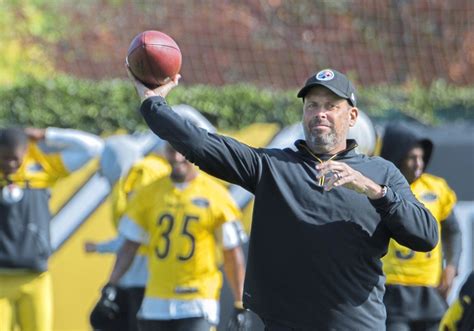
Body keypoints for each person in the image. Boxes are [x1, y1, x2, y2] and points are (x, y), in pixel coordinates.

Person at [127, 67, 439, 330]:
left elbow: (426, 236)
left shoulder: (380, 173)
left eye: (331, 105)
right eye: (312, 105)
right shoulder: (273, 167)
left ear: (352, 115)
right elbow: (200, 144)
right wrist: (153, 103)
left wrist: (375, 191)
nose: (320, 113)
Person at [92, 110, 250, 331]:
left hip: (197, 301)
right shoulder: (149, 194)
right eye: (171, 150)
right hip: (156, 300)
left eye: (182, 152)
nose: (176, 157)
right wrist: (112, 284)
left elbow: (232, 255)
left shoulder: (216, 195)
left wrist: (239, 303)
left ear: (192, 152)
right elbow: (130, 246)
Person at [0, 127, 103, 331]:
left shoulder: (42, 168)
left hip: (36, 277)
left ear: (26, 151)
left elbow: (93, 147)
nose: (9, 164)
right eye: (3, 158)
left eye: (14, 158)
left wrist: (47, 134)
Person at [380, 122, 462, 331]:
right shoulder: (380, 190)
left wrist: (451, 266)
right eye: (411, 157)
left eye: (421, 157)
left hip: (430, 290)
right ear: (397, 156)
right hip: (394, 289)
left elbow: (452, 230)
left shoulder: (436, 188)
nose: (419, 164)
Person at [85, 134, 170, 331]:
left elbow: (135, 236)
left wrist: (100, 248)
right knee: (102, 320)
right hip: (133, 272)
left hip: (147, 273)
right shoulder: (136, 175)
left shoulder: (142, 174)